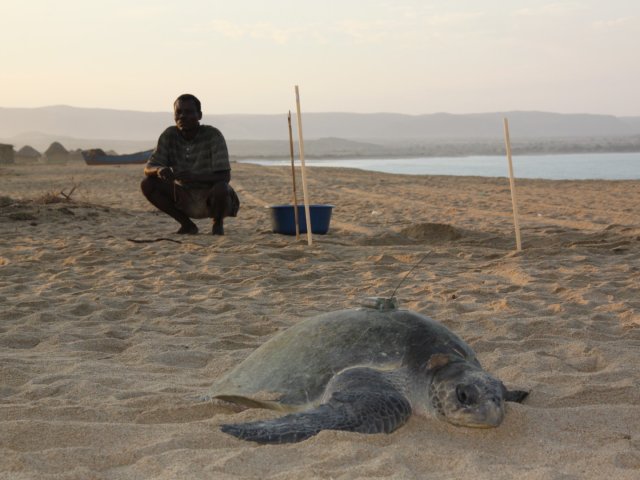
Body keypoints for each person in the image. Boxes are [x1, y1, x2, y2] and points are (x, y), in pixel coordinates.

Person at [141, 94, 239, 235]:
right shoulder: (169, 135)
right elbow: (149, 167)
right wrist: (159, 170)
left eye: (188, 112)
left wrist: (195, 177)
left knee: (222, 187)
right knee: (147, 184)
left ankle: (218, 224)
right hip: (184, 195)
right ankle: (187, 225)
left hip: (212, 196)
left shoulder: (213, 135)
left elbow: (225, 176)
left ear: (199, 115)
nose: (182, 117)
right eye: (178, 112)